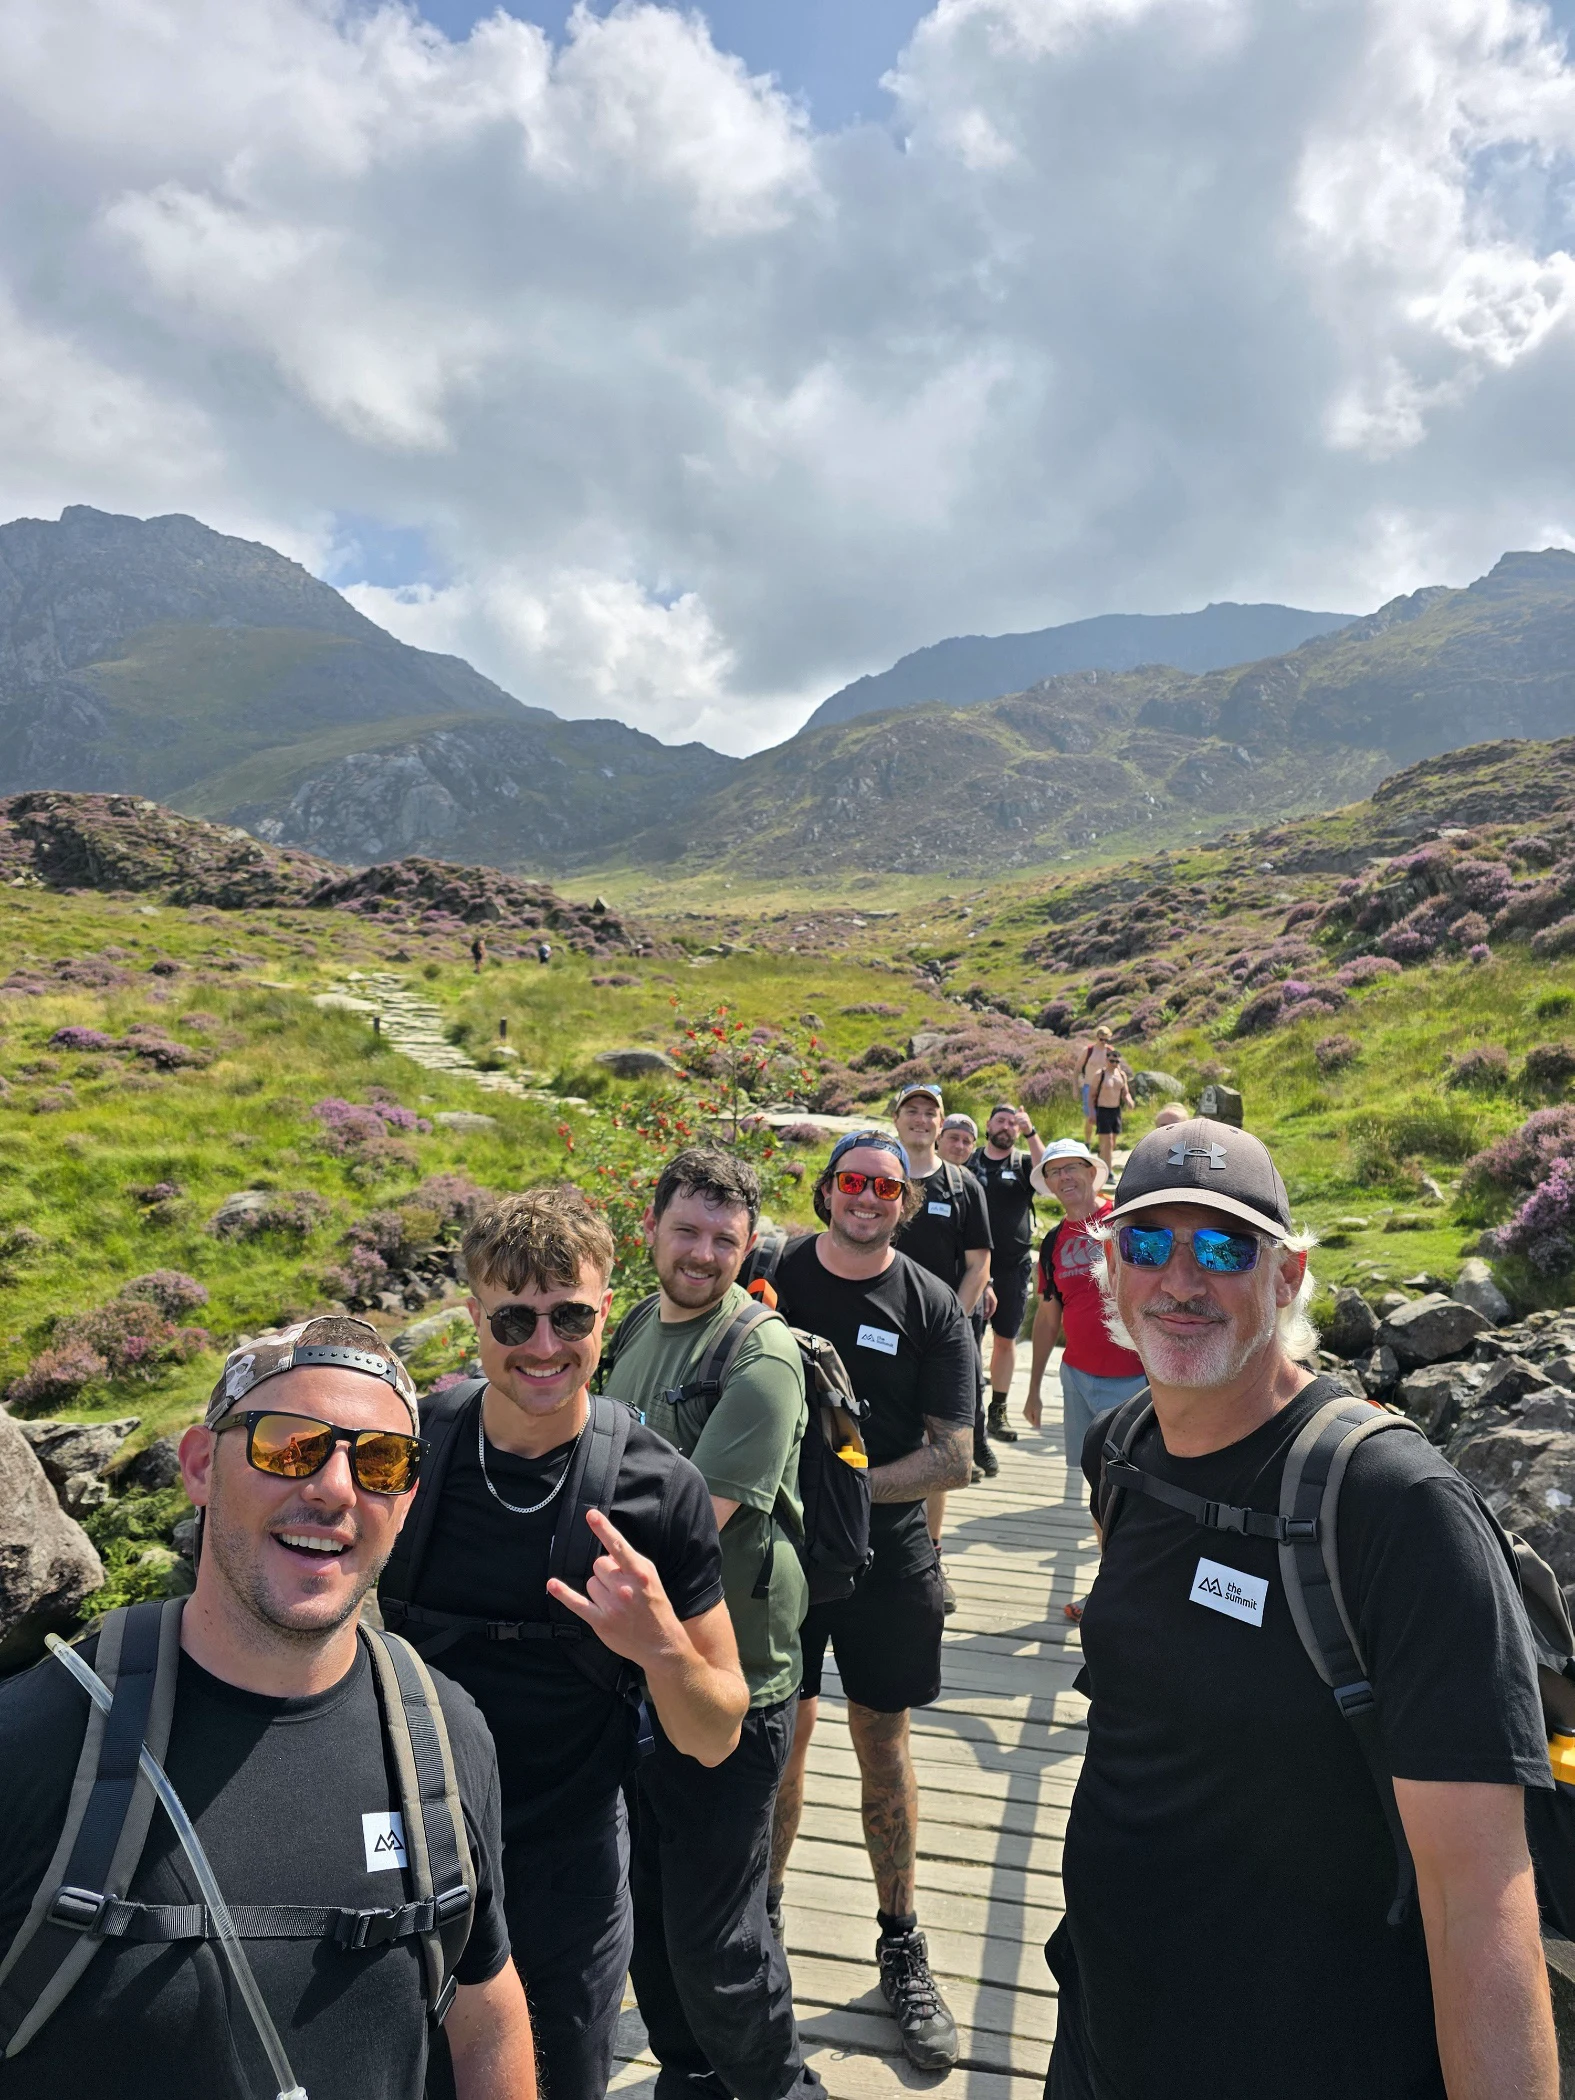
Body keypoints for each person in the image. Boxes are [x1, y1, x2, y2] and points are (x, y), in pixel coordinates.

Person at [1046, 1119, 1559, 2100]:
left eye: (1227, 1247)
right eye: (1149, 1244)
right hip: (1105, 2038)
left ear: (1289, 1276)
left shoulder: (1395, 1510)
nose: (1182, 1280)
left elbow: (1480, 1902)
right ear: (1109, 1265)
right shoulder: (1119, 1453)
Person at [0, 1315, 533, 2100]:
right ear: (198, 1467)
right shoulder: (33, 1741)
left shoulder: (443, 1737)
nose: (333, 1487)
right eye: (287, 1444)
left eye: (382, 1461)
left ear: (408, 1498)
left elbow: (484, 2011)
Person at [378, 1187, 749, 2100]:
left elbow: (716, 1732)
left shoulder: (660, 1489)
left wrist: (659, 1646)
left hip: (565, 1867)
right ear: (473, 1317)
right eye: (513, 1317)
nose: (543, 1346)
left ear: (604, 1307)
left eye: (569, 1316)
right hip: (407, 1849)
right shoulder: (405, 1456)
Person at [599, 1146, 822, 2100]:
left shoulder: (762, 1354)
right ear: (649, 1229)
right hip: (634, 1667)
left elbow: (698, 1525)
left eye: (724, 1239)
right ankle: (689, 2073)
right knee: (649, 1905)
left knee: (717, 1931)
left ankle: (777, 2087)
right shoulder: (641, 1322)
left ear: (748, 1245)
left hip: (736, 1678)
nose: (702, 1254)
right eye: (686, 1231)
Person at [767, 1132, 975, 2072]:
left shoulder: (933, 1308)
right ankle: (757, 1926)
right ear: (826, 1191)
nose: (866, 1198)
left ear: (907, 1202)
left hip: (885, 1559)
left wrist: (841, 1490)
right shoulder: (770, 1274)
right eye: (851, 1181)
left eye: (885, 1187)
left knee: (881, 1742)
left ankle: (899, 1939)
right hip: (778, 1558)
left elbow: (953, 1456)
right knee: (780, 1737)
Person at [891, 1083, 994, 1584]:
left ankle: (930, 1556)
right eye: (911, 1110)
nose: (921, 1118)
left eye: (930, 1112)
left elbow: (978, 1264)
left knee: (939, 1446)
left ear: (941, 1122)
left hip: (939, 1340)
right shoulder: (877, 1176)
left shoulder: (962, 1185)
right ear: (896, 1119)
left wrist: (951, 1325)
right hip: (876, 1334)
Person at [1023, 1140, 1146, 1466]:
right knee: (1092, 1471)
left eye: (1072, 1168)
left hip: (1135, 1378)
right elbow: (1048, 1319)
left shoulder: (1126, 1223)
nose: (1064, 1177)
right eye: (1054, 1172)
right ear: (1048, 1184)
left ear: (1092, 1172)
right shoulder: (1052, 1243)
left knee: (1132, 1473)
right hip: (1076, 1378)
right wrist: (1034, 1388)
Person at [968, 1102, 1047, 1446]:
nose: (1007, 1126)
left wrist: (1032, 1133)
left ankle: (997, 1411)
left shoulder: (1025, 1163)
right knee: (967, 1340)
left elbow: (1047, 1183)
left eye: (1013, 1123)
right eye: (1000, 1119)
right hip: (970, 1267)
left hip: (1013, 1267)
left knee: (1005, 1338)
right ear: (987, 1125)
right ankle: (968, 1411)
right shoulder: (970, 1163)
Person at [939, 1112, 998, 1484]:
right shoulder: (911, 1180)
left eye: (966, 1141)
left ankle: (975, 1442)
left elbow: (978, 1250)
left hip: (964, 1303)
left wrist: (985, 1286)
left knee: (971, 1376)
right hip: (918, 1302)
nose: (959, 1146)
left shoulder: (970, 1185)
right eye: (953, 1138)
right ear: (938, 1138)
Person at [1089, 1047, 1133, 1171]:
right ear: (1106, 1060)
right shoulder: (1100, 1075)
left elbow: (1125, 1092)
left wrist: (1129, 1100)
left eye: (1117, 1062)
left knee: (1112, 1142)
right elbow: (1091, 1096)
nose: (1114, 1064)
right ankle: (1108, 1172)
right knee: (1107, 1142)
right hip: (1103, 1110)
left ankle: (1102, 1159)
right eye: (1111, 1061)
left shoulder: (1121, 1075)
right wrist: (1092, 1113)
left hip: (1115, 1111)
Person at [1078, 1028, 1113, 1146]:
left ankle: (1101, 1146)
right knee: (1090, 1117)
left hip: (1104, 1089)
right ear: (1097, 1037)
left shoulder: (1110, 1051)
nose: (1103, 1042)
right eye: (1101, 1039)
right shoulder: (1088, 1051)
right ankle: (1087, 1142)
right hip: (1088, 1087)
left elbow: (1116, 1070)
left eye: (1106, 1039)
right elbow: (1077, 1069)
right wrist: (1074, 1087)